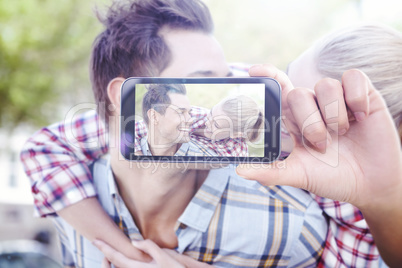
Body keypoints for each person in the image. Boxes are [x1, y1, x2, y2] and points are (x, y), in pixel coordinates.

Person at [18, 0, 399, 265]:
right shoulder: (79, 200)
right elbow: (47, 146)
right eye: (202, 83)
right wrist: (126, 254)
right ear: (130, 100)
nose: (285, 108)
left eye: (227, 81)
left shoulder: (294, 225)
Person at [133, 93, 264, 157]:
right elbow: (133, 129)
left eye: (216, 125)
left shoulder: (237, 152)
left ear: (236, 134)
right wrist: (138, 156)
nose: (208, 122)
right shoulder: (196, 115)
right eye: (211, 113)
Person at [138, 83, 217, 156]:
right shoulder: (132, 151)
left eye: (189, 113)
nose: (190, 120)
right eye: (181, 112)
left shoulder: (205, 159)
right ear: (154, 117)